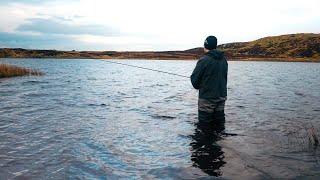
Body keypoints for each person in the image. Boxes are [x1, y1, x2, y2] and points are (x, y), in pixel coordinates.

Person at [191, 36, 228, 130]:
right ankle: (218, 143)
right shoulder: (224, 60)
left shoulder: (204, 60)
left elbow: (195, 82)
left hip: (207, 98)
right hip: (221, 96)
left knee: (204, 127)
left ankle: (206, 143)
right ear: (215, 46)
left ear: (205, 45)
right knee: (219, 125)